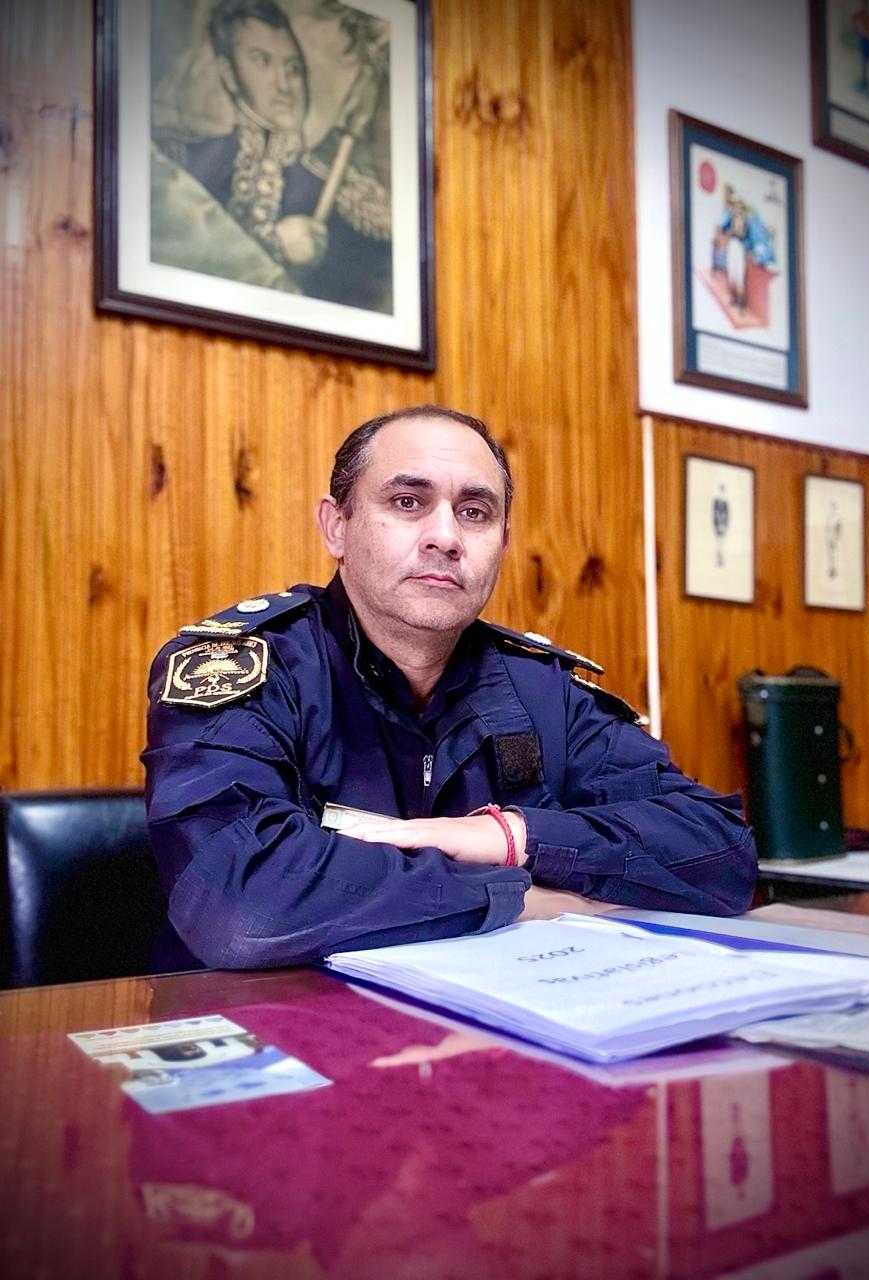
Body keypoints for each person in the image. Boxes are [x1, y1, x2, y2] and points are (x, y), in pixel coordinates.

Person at [143, 406, 756, 970]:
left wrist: (507, 836)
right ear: (337, 527)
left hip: (504, 1020)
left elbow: (720, 852)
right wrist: (518, 898)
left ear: (502, 543)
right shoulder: (244, 668)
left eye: (475, 512)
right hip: (274, 1029)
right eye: (408, 502)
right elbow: (240, 905)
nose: (446, 536)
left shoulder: (544, 691)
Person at [153, 0, 392, 311]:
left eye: (293, 68)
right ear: (228, 72)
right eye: (262, 61)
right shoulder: (182, 162)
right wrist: (273, 245)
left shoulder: (340, 191)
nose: (284, 85)